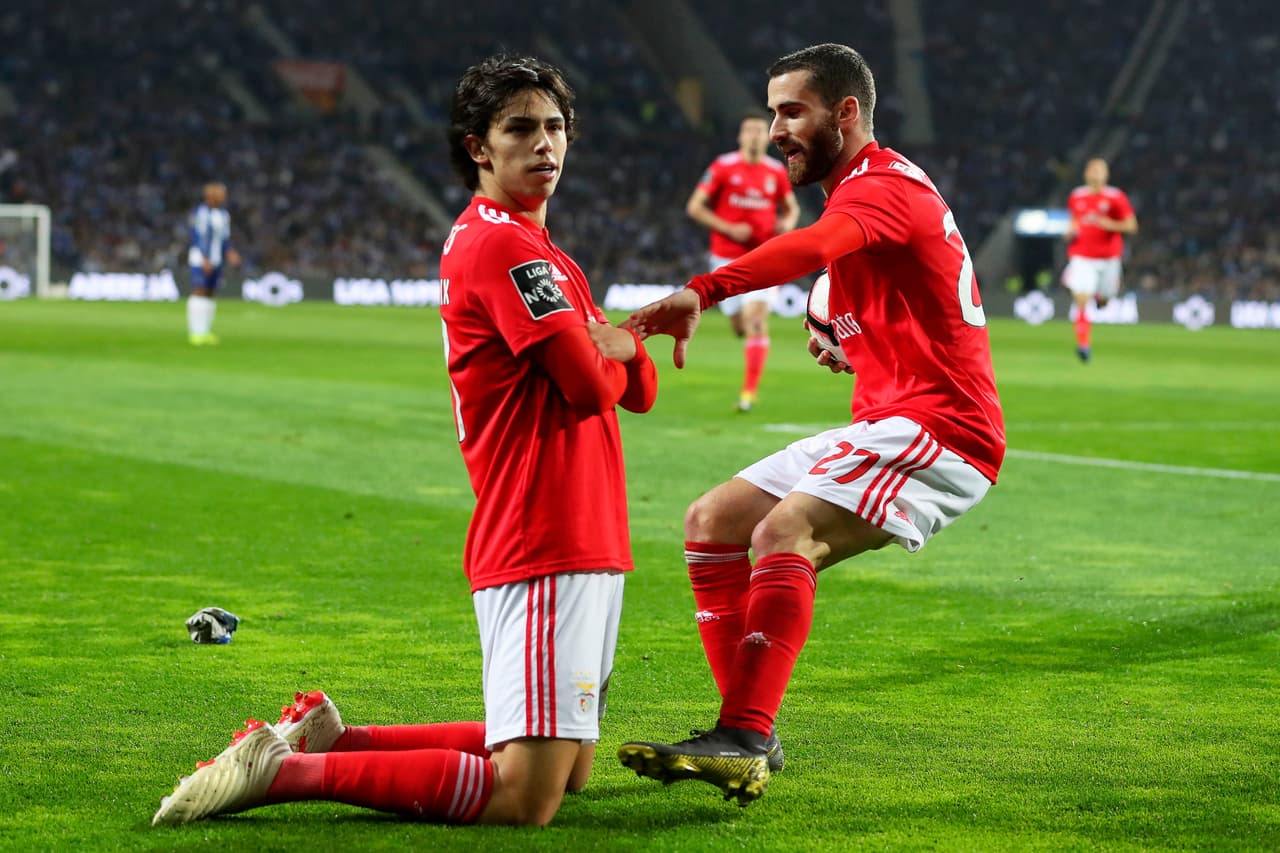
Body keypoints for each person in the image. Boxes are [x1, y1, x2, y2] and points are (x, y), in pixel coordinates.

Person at [152, 53, 658, 828]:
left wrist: (619, 349)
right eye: (520, 128)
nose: (545, 143)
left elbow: (635, 389)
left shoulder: (544, 250)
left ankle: (338, 738)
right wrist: (622, 346)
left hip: (582, 527)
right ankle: (283, 771)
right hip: (545, 528)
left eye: (556, 126)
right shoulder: (504, 246)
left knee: (569, 768)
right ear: (478, 147)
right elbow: (594, 386)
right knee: (525, 796)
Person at [615, 43, 1005, 806]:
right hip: (890, 417)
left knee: (782, 532)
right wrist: (848, 333)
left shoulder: (884, 183)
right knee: (712, 521)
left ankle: (743, 736)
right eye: (772, 113)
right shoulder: (864, 194)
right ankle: (745, 733)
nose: (776, 130)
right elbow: (887, 294)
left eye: (792, 111)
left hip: (944, 428)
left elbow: (816, 246)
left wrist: (705, 289)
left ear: (846, 112)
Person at [687, 112, 800, 411]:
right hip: (725, 258)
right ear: (740, 136)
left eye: (759, 131)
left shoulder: (776, 171)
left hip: (764, 256)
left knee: (757, 321)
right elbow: (695, 207)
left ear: (767, 137)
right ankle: (743, 334)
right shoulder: (723, 167)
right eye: (749, 130)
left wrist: (787, 224)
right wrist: (728, 228)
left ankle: (748, 394)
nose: (754, 136)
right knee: (740, 325)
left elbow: (791, 209)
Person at [1061, 157, 1138, 362]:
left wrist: (1110, 224)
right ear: (1086, 174)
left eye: (1099, 170)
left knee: (1104, 299)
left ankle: (1098, 295)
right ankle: (1083, 344)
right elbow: (1074, 221)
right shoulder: (1076, 196)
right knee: (1081, 298)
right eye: (1091, 169)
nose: (1095, 173)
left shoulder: (1116, 197)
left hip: (1109, 258)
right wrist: (1070, 231)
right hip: (1082, 256)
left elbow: (1131, 225)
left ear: (1106, 175)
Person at [186, 182, 241, 346]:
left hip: (216, 259)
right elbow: (197, 236)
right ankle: (195, 333)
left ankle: (205, 331)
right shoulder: (201, 212)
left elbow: (224, 238)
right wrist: (204, 258)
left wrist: (230, 252)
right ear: (210, 195)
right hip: (200, 259)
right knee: (199, 291)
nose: (223, 197)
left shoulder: (223, 214)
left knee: (210, 292)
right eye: (220, 194)